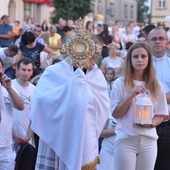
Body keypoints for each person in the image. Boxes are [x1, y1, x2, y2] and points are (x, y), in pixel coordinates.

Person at [30, 20, 110, 170]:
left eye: (97, 54)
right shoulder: (54, 71)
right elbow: (39, 102)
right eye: (92, 53)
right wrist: (73, 85)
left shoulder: (97, 76)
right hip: (55, 136)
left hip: (84, 136)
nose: (94, 59)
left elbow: (103, 106)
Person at [110, 42, 168, 170]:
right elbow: (115, 114)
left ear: (149, 59)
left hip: (149, 140)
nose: (140, 60)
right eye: (135, 57)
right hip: (126, 139)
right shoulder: (120, 83)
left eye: (143, 56)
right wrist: (130, 95)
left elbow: (161, 113)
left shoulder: (156, 85)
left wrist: (152, 123)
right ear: (130, 59)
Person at [148, 27, 170, 170]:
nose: (157, 42)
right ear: (148, 42)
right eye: (154, 39)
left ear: (167, 42)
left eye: (161, 38)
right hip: (144, 124)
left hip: (168, 125)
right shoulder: (140, 64)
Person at [0, 58, 24, 170]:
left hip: (6, 146)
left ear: (3, 69)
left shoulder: (10, 87)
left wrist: (9, 88)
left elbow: (20, 106)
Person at [12, 58, 36, 155]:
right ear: (17, 70)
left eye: (29, 70)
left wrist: (29, 136)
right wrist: (13, 135)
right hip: (8, 139)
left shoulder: (35, 90)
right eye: (23, 69)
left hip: (27, 139)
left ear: (32, 72)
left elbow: (35, 116)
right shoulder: (8, 86)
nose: (26, 73)